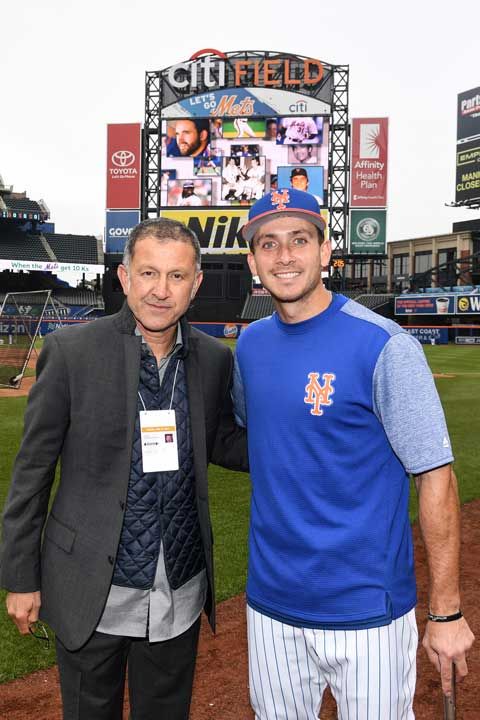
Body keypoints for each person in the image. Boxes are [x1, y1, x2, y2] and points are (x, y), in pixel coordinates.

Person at [233, 189, 474, 719]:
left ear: (325, 251)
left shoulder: (383, 346)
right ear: (253, 261)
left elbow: (436, 477)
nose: (285, 256)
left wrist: (447, 611)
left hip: (367, 606)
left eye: (300, 240)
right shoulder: (250, 346)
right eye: (268, 244)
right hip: (271, 603)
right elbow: (264, 435)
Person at [1, 218, 247, 720]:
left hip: (178, 591)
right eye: (148, 273)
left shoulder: (214, 359)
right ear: (124, 276)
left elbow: (219, 440)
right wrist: (21, 577)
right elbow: (32, 472)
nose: (161, 290)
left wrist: (308, 444)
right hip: (91, 589)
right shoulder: (71, 353)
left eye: (177, 276)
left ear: (195, 283)